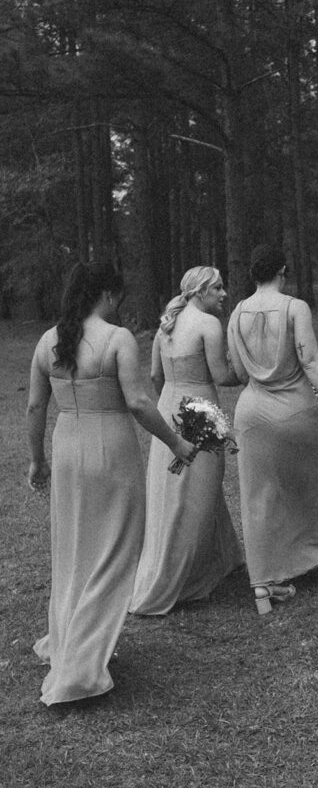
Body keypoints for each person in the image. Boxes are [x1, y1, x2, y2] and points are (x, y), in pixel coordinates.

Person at [26, 262, 196, 706]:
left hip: (67, 447)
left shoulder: (48, 341)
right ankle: (80, 662)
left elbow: (33, 408)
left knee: (74, 547)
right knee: (117, 546)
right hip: (110, 447)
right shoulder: (116, 338)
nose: (119, 305)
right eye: (117, 297)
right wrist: (176, 442)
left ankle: (70, 640)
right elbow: (139, 401)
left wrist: (36, 461)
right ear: (106, 293)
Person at [227, 244, 318, 614]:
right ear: (282, 271)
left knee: (258, 498)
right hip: (294, 410)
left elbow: (239, 372)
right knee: (306, 486)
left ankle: (262, 586)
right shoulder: (294, 307)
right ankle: (317, 549)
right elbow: (311, 359)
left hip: (251, 413)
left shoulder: (236, 312)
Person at [130, 267, 243, 616]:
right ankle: (184, 574)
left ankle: (222, 557)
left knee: (177, 488)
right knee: (201, 488)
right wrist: (252, 370)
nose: (224, 294)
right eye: (218, 288)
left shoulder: (168, 322)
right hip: (201, 410)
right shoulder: (208, 325)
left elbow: (154, 375)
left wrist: (170, 403)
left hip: (169, 406)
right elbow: (223, 376)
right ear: (200, 291)